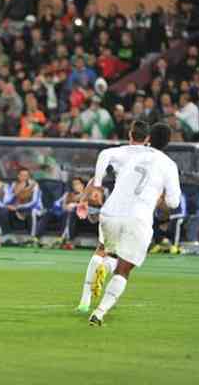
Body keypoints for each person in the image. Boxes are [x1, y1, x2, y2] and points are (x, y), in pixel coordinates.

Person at [82, 122, 181, 326]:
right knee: (124, 269)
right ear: (168, 143)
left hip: (110, 213)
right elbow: (173, 202)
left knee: (108, 251)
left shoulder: (131, 154)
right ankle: (99, 312)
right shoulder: (169, 165)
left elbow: (105, 154)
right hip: (138, 218)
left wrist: (98, 183)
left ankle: (103, 268)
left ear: (149, 138)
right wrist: (158, 196)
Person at [76, 120, 150, 314]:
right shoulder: (156, 158)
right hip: (137, 214)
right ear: (148, 139)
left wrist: (83, 199)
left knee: (101, 250)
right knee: (120, 258)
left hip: (114, 209)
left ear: (130, 135)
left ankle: (85, 300)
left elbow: (96, 180)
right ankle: (107, 271)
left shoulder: (116, 153)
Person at [0, 169, 44, 244]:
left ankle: (32, 238)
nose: (24, 177)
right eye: (22, 175)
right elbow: (6, 201)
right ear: (18, 176)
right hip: (16, 209)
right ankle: (7, 236)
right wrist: (16, 192)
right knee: (3, 211)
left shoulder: (34, 185)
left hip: (31, 208)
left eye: (26, 176)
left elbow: (34, 202)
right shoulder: (13, 185)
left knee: (32, 212)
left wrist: (18, 207)